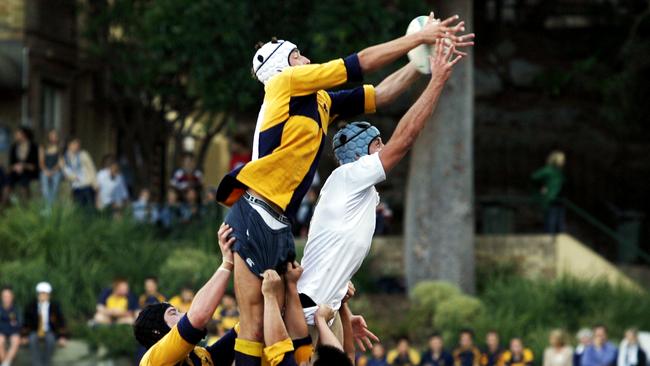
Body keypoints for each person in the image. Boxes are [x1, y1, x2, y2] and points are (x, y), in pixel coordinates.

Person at [216, 11, 473, 349]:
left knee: (269, 333)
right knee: (252, 332)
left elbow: (380, 95)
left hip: (285, 231)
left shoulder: (319, 101)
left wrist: (423, 61)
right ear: (282, 67)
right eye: (297, 56)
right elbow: (360, 63)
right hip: (257, 210)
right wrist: (418, 41)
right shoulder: (284, 85)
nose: (307, 59)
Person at [298, 35, 466, 345]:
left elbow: (383, 93)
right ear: (361, 154)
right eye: (378, 144)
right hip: (306, 312)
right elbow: (405, 139)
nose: (385, 147)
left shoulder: (358, 192)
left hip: (324, 310)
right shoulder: (348, 175)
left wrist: (419, 63)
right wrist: (437, 80)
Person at [133, 223, 236, 366]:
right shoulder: (153, 360)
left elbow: (241, 332)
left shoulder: (200, 355)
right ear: (157, 332)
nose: (185, 314)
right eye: (173, 313)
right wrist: (227, 263)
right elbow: (198, 316)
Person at [22, 282, 68, 366]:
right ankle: (37, 364)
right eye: (41, 294)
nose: (43, 296)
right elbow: (26, 322)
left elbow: (61, 322)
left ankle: (46, 364)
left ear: (49, 295)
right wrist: (24, 336)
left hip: (49, 331)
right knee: (32, 339)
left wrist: (62, 336)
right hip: (35, 331)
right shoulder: (31, 306)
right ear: (38, 295)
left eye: (45, 294)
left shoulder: (55, 307)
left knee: (51, 340)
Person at [531, 150, 566, 233]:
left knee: (559, 222)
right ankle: (549, 237)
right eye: (562, 160)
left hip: (560, 199)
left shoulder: (559, 172)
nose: (563, 162)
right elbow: (534, 177)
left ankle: (558, 238)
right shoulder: (548, 170)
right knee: (551, 220)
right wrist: (541, 188)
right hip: (552, 198)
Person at [6, 127, 39, 201]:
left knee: (24, 182)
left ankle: (25, 207)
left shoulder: (34, 147)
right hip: (15, 172)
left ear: (24, 135)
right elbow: (10, 164)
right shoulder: (14, 147)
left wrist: (23, 166)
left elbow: (36, 166)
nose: (15, 136)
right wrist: (15, 167)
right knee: (7, 182)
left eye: (17, 134)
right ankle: (4, 206)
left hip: (29, 172)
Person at [62, 137, 97, 208]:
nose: (77, 146)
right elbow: (65, 173)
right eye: (74, 144)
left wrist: (95, 183)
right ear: (69, 145)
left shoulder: (83, 154)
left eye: (78, 144)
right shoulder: (64, 158)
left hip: (87, 184)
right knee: (79, 208)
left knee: (90, 207)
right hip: (75, 186)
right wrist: (74, 177)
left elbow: (92, 169)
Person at [38, 130, 63, 207]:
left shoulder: (60, 147)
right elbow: (41, 162)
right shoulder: (43, 147)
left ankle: (50, 208)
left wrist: (52, 171)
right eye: (51, 136)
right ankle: (48, 208)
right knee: (45, 188)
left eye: (55, 136)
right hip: (45, 169)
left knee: (55, 188)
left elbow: (60, 163)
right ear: (48, 137)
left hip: (56, 170)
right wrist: (46, 171)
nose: (53, 138)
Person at [0, 287, 21, 366]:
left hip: (13, 333)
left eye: (8, 296)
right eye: (4, 296)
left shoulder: (16, 309)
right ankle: (6, 363)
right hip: (1, 333)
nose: (6, 298)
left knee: (16, 340)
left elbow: (18, 324)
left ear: (12, 297)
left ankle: (5, 363)